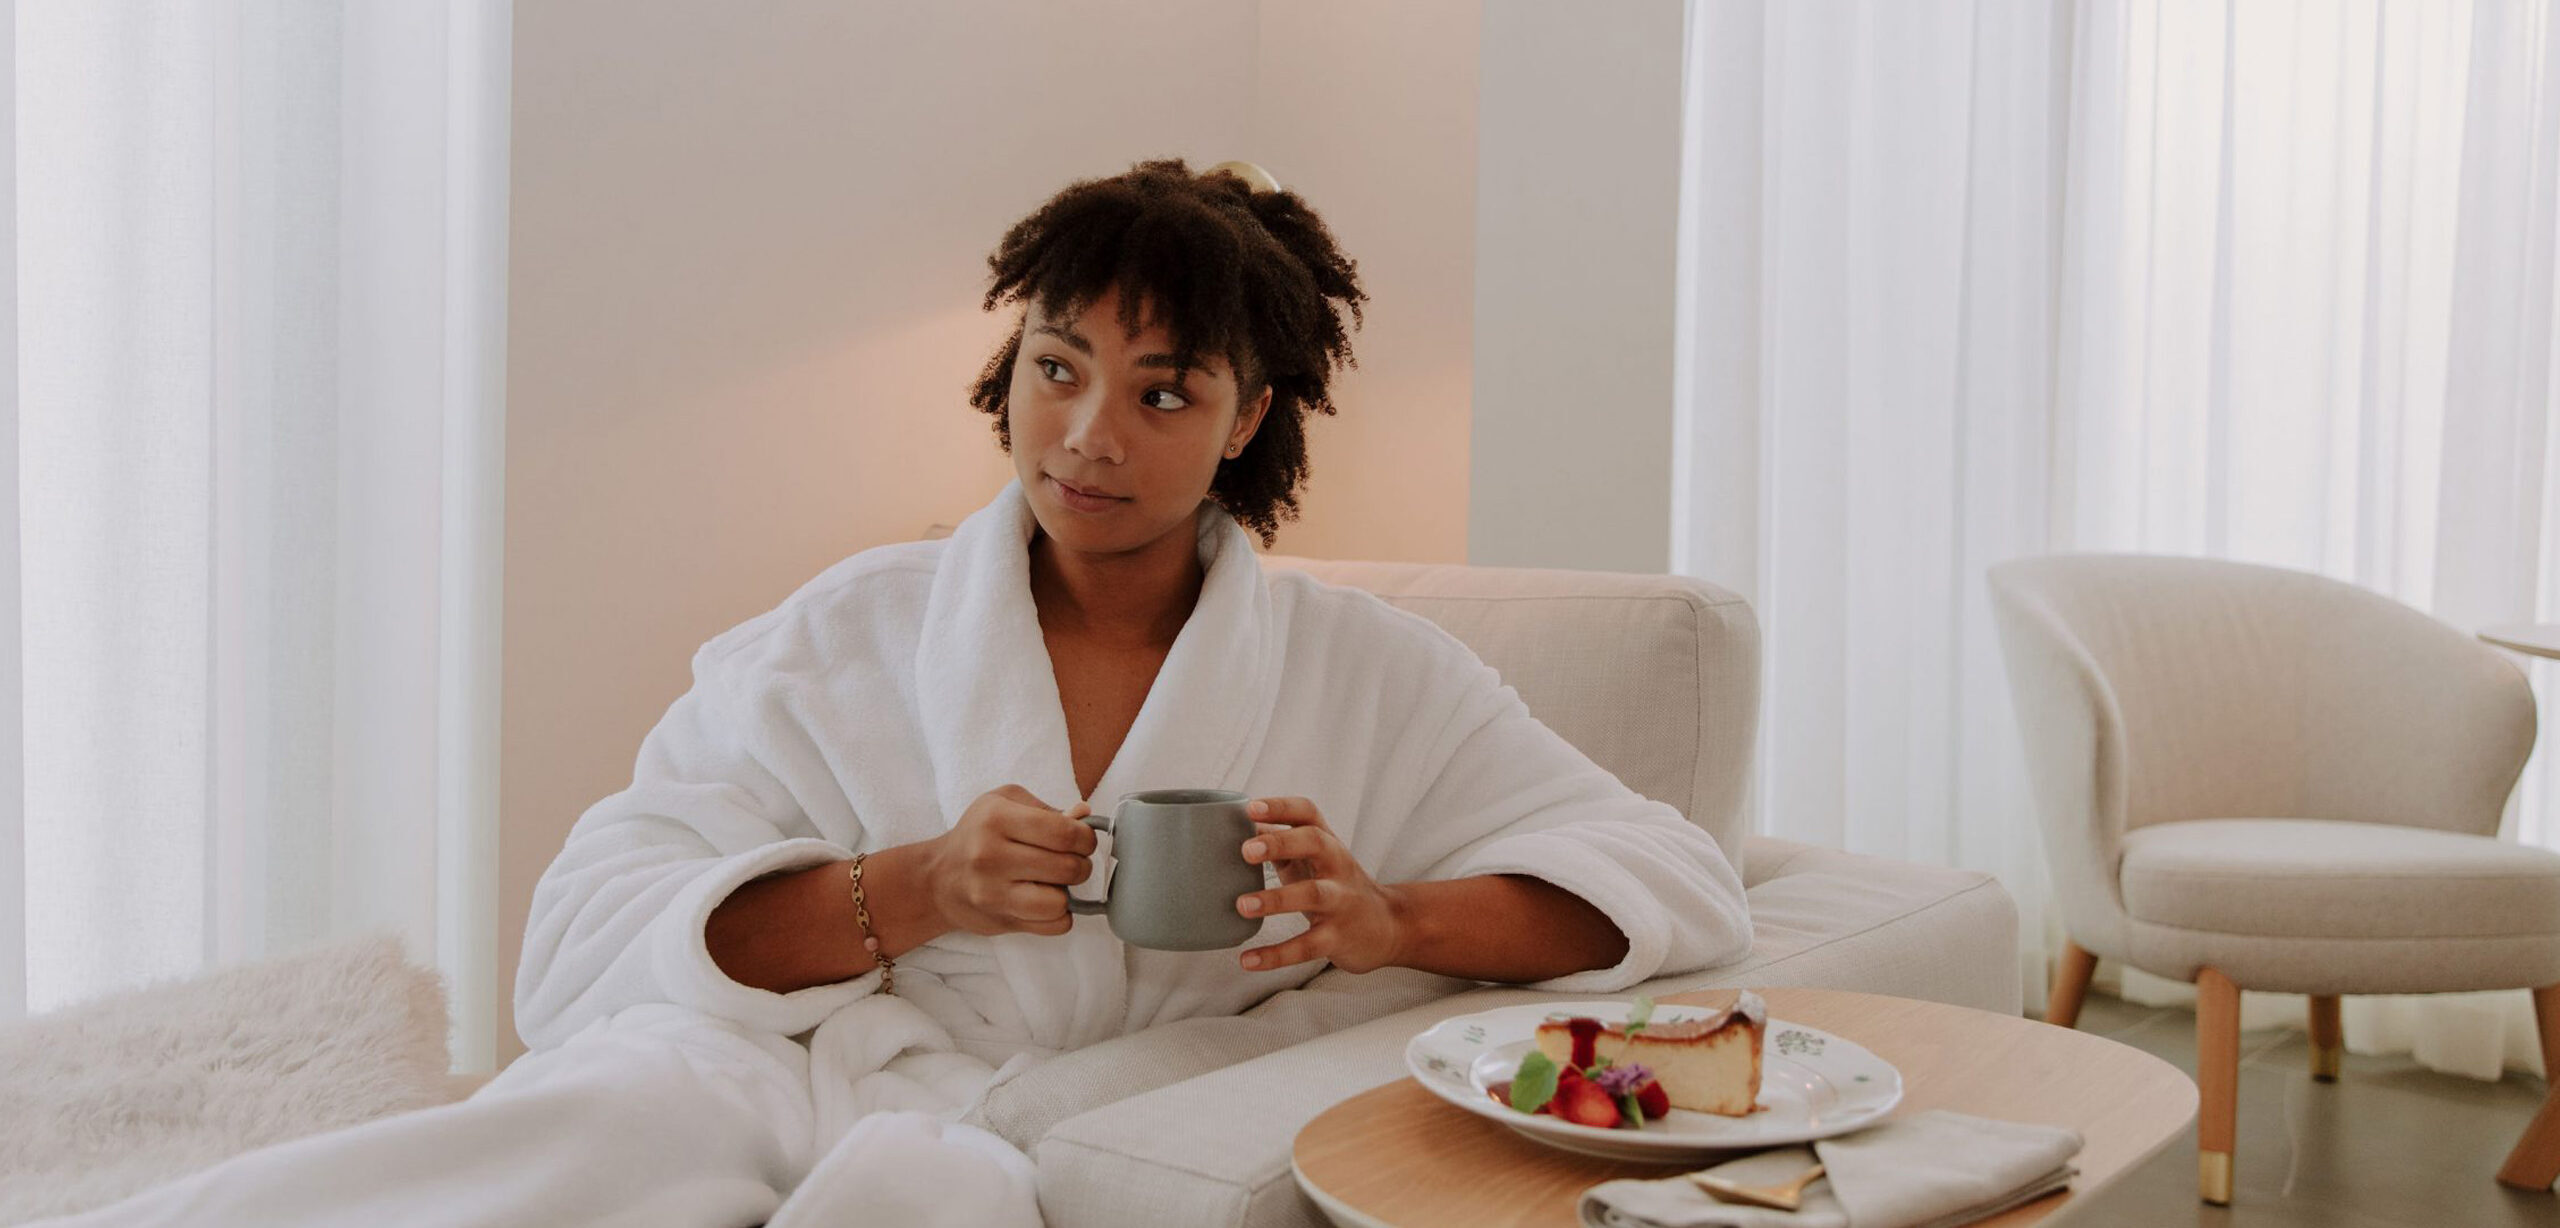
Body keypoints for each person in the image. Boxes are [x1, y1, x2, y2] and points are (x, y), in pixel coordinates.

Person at [36, 158, 1750, 1228]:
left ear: (1245, 420)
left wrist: (1385, 918)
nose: (1089, 434)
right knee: (573, 1129)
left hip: (1034, 1134)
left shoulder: (1362, 669)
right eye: (1061, 369)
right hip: (783, 1064)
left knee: (925, 1198)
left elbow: (1670, 875)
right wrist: (902, 888)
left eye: (1163, 394)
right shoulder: (854, 624)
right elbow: (581, 936)